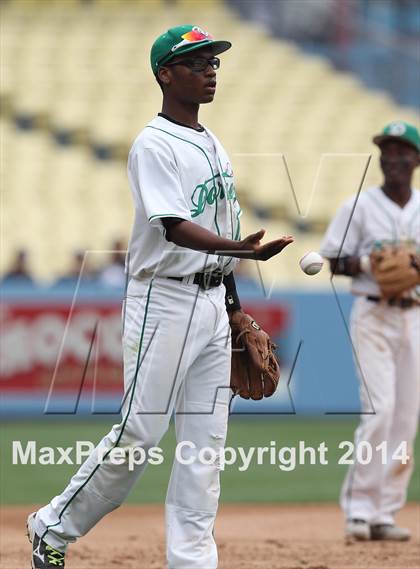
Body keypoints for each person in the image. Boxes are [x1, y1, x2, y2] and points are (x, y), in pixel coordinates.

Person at [27, 25, 293, 569]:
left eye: (213, 62)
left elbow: (222, 227)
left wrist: (235, 304)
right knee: (138, 435)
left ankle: (192, 561)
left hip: (212, 304)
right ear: (165, 74)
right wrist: (242, 251)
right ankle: (52, 526)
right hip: (163, 300)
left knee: (204, 445)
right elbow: (173, 226)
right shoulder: (154, 143)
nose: (210, 71)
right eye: (196, 63)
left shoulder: (212, 143)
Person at [320, 121, 420, 542]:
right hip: (373, 314)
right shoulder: (357, 206)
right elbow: (334, 260)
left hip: (413, 316)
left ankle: (384, 513)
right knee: (378, 412)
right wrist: (367, 264)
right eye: (386, 150)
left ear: (416, 159)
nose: (393, 158)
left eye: (402, 151)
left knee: (405, 420)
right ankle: (359, 511)